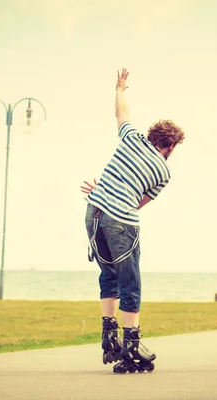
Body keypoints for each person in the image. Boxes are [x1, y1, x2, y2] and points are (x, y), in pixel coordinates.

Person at [81, 68, 185, 374]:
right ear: (170, 146)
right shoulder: (164, 172)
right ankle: (131, 346)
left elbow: (121, 112)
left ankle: (109, 336)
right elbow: (139, 203)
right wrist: (120, 199)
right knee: (130, 282)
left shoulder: (131, 137)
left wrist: (121, 88)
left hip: (93, 212)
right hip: (120, 221)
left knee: (108, 274)